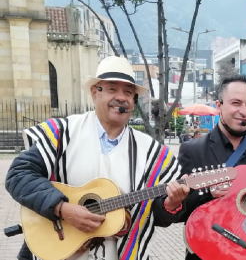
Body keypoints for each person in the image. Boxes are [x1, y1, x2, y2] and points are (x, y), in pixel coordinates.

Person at [5, 56, 190, 260]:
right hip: (62, 250)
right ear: (95, 92)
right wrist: (62, 208)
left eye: (128, 92)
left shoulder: (154, 153)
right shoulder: (62, 133)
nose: (121, 97)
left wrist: (171, 205)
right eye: (112, 89)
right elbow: (19, 175)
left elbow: (158, 215)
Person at [163, 75, 246, 260]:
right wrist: (210, 198)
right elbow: (177, 213)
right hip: (211, 250)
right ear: (219, 105)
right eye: (236, 103)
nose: (244, 111)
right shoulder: (193, 150)